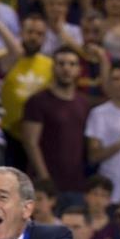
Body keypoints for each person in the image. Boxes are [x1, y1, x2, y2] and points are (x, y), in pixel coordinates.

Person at [21, 46, 91, 195]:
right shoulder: (37, 101)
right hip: (45, 187)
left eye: (72, 64)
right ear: (53, 68)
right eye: (61, 63)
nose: (66, 68)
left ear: (79, 70)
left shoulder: (83, 103)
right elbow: (30, 142)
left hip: (76, 184)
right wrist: (45, 178)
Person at [85, 61, 120, 204]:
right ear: (108, 82)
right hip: (110, 191)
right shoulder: (99, 114)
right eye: (116, 79)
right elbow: (94, 156)